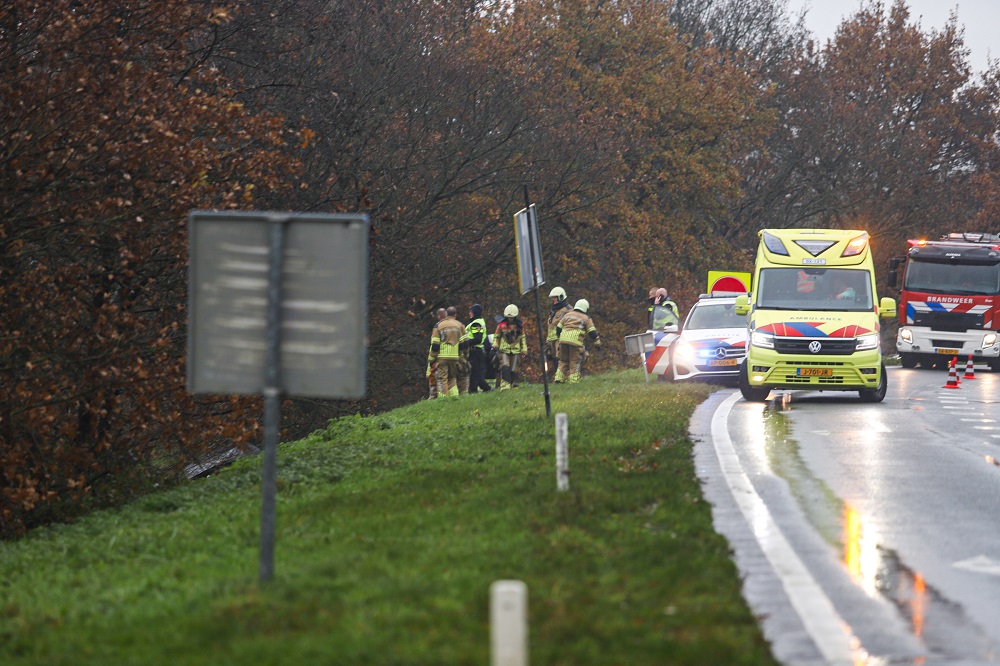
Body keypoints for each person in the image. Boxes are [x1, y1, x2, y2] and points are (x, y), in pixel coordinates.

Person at [555, 299, 601, 384]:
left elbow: (558, 328)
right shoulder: (586, 318)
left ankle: (559, 378)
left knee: (563, 360)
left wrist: (559, 338)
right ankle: (573, 380)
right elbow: (593, 333)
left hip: (563, 341)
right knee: (574, 361)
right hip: (575, 342)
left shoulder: (567, 315)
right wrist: (597, 343)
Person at [428, 307, 468, 397]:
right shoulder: (459, 325)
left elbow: (435, 345)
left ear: (439, 316)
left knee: (442, 379)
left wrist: (431, 359)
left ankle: (443, 399)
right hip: (454, 357)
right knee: (452, 378)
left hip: (442, 358)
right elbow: (464, 344)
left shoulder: (438, 326)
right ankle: (455, 397)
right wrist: (464, 355)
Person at [495, 304, 527, 390]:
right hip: (504, 350)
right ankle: (505, 385)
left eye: (512, 317)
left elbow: (523, 338)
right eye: (509, 317)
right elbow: (497, 336)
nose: (510, 319)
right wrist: (495, 345)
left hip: (515, 351)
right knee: (505, 366)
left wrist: (524, 349)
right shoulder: (501, 325)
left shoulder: (519, 326)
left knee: (513, 369)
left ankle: (513, 384)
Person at [546, 287, 572, 377]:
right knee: (554, 358)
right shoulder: (554, 310)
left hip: (561, 338)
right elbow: (550, 326)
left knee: (561, 358)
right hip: (552, 339)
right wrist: (548, 341)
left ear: (560, 297)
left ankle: (562, 376)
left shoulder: (568, 309)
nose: (553, 300)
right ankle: (558, 377)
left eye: (555, 297)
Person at [466, 304, 492, 393]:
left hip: (475, 351)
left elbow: (478, 339)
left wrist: (466, 342)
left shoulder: (476, 324)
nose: (469, 313)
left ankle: (477, 389)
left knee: (474, 371)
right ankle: (480, 388)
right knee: (476, 371)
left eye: (470, 312)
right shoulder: (478, 322)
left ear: (474, 313)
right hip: (477, 350)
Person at [448, 306, 471, 395]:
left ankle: (452, 396)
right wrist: (466, 355)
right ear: (455, 315)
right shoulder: (460, 325)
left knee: (450, 379)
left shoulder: (441, 325)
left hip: (446, 356)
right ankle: (463, 395)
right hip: (459, 356)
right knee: (463, 377)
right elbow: (465, 343)